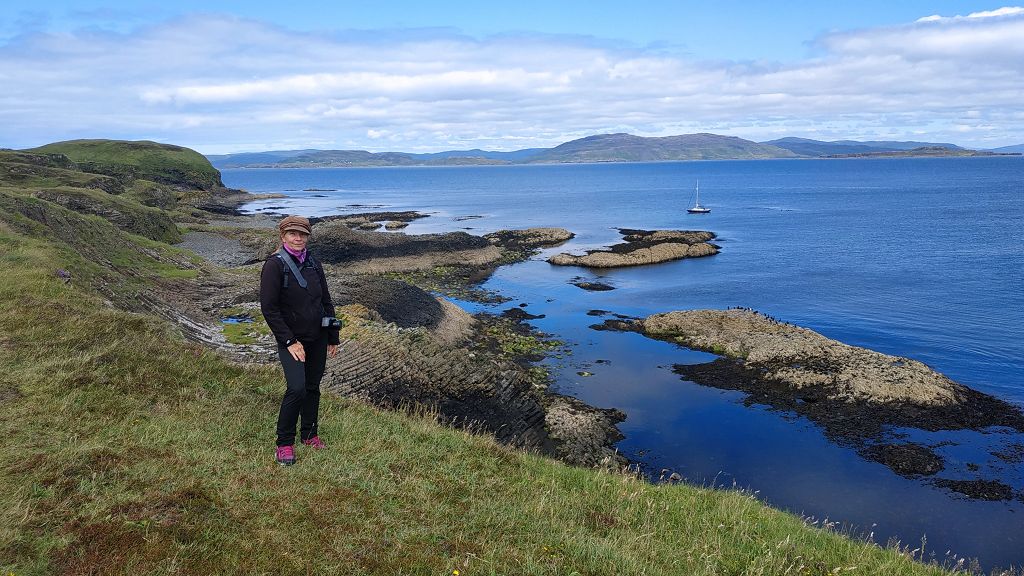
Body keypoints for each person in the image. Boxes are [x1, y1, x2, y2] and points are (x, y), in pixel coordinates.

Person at [260, 215, 340, 466]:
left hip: (318, 336)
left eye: (302, 234)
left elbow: (325, 300)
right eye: (293, 234)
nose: (298, 238)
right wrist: (289, 341)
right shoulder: (274, 265)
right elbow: (269, 309)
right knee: (296, 388)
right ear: (283, 236)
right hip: (292, 340)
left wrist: (333, 337)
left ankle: (309, 434)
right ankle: (284, 443)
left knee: (312, 387)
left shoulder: (314, 263)